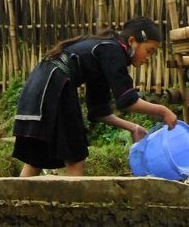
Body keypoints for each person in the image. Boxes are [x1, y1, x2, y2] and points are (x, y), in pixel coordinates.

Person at [12, 16, 178, 177]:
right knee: (76, 155)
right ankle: (76, 204)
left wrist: (132, 127)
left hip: (39, 84)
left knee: (37, 156)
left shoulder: (104, 52)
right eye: (149, 51)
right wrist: (163, 111)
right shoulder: (113, 51)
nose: (148, 58)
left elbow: (98, 112)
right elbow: (128, 101)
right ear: (132, 41)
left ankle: (17, 203)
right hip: (56, 85)